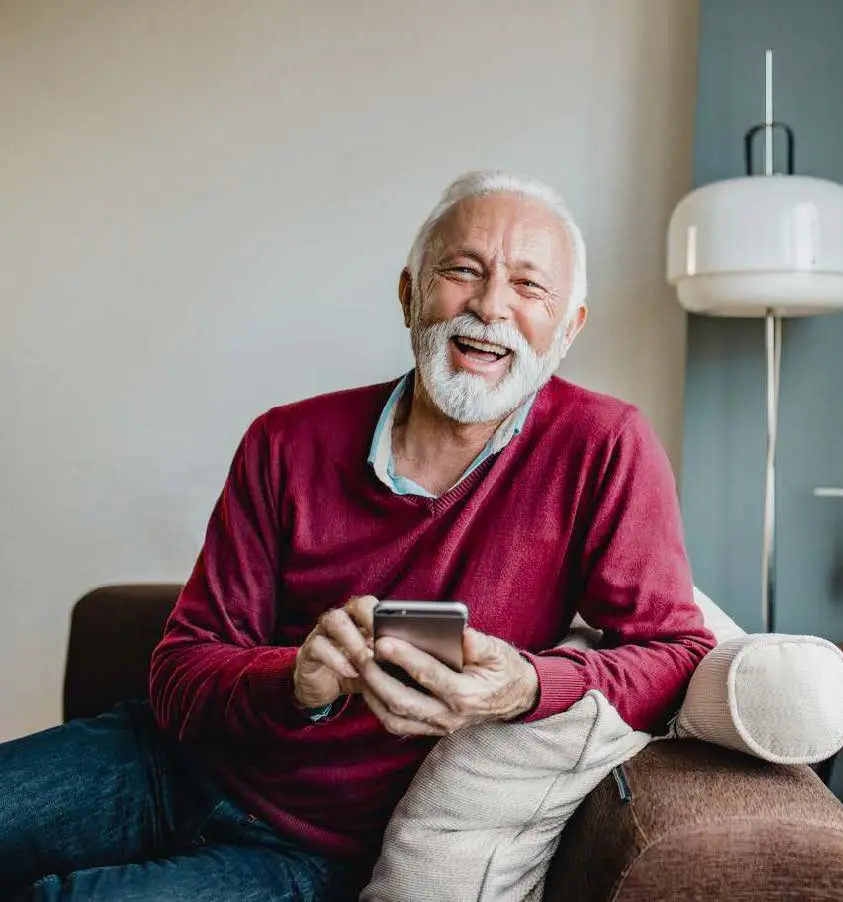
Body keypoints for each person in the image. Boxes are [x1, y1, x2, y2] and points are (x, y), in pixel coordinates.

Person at [0, 170, 716, 901]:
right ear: (409, 294)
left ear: (569, 327)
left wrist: (527, 686)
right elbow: (180, 668)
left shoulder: (603, 447)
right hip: (166, 761)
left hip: (314, 853)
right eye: (461, 271)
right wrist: (296, 680)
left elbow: (676, 652)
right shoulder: (287, 439)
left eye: (529, 288)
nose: (490, 307)